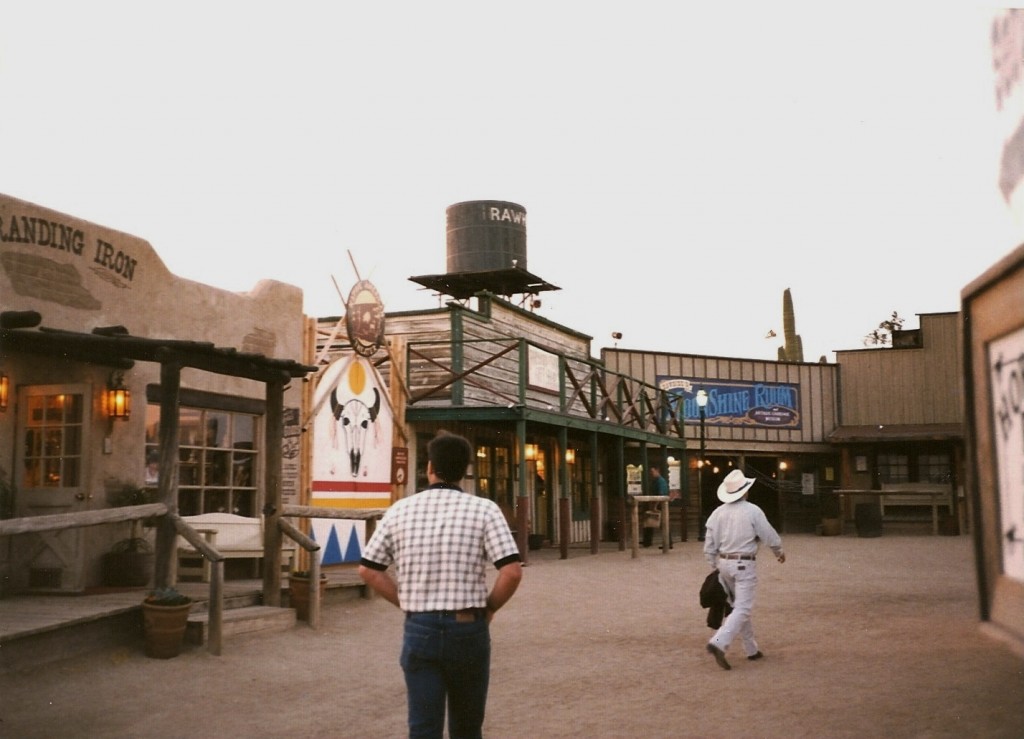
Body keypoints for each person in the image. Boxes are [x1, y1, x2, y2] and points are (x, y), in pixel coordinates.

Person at [358, 431, 523, 738]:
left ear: (430, 467)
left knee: (423, 727)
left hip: (420, 627)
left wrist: (406, 601)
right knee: (467, 726)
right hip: (468, 627)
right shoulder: (485, 510)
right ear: (465, 471)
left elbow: (369, 570)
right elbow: (511, 571)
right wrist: (489, 608)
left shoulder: (399, 510)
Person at [702, 468, 785, 670]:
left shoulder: (717, 513)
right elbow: (768, 534)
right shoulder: (752, 510)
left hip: (724, 564)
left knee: (738, 606)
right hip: (744, 563)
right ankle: (719, 642)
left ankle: (751, 649)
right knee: (743, 608)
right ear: (745, 491)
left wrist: (715, 564)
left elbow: (709, 546)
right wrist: (778, 550)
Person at [642, 465, 669, 548]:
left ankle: (668, 543)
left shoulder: (661, 481)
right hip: (654, 503)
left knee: (663, 523)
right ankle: (647, 541)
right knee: (650, 522)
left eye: (653, 471)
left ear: (658, 470)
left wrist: (655, 506)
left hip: (660, 504)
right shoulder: (654, 481)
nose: (651, 473)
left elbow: (661, 495)